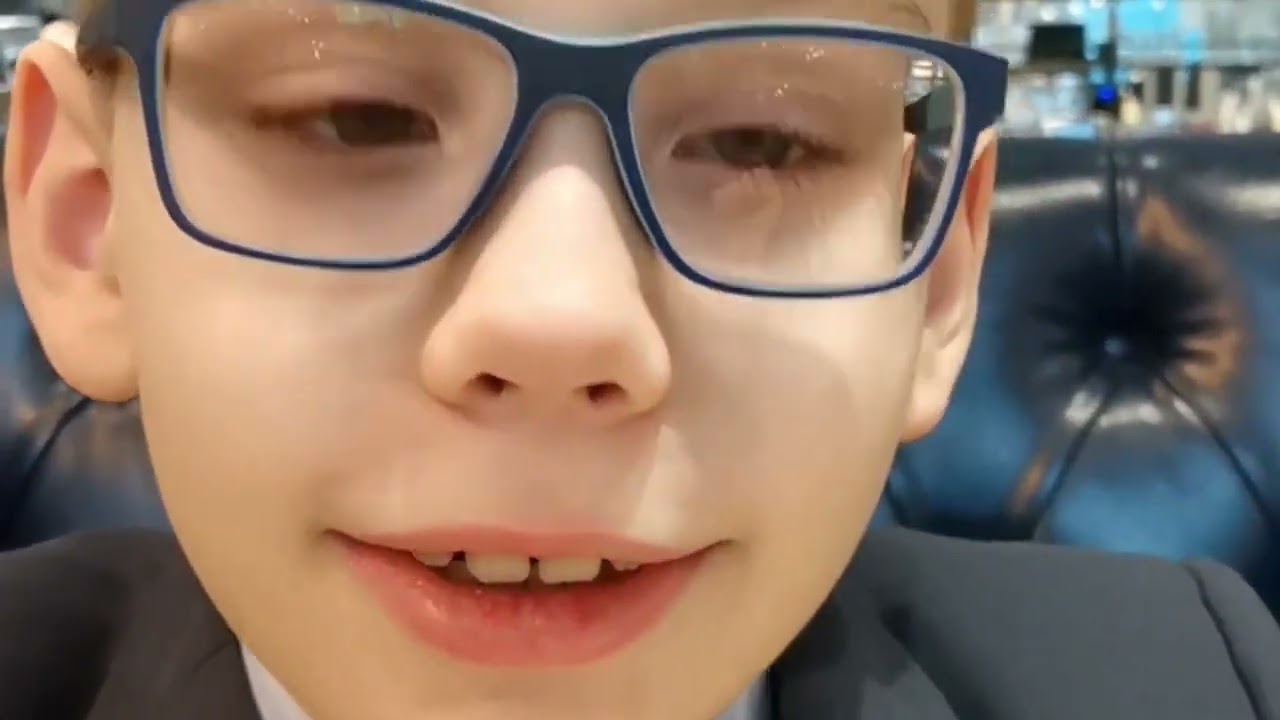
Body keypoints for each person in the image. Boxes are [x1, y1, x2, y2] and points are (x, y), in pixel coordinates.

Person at [0, 0, 1278, 718]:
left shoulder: (1194, 683)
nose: (559, 321)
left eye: (759, 144)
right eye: (356, 119)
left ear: (937, 283)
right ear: (88, 220)